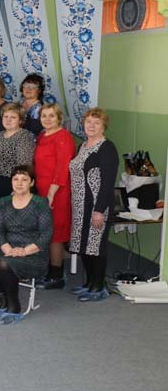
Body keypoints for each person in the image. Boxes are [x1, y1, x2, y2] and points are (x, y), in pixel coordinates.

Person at [0, 165, 52, 324]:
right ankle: (3, 301)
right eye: (15, 179)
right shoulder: (4, 202)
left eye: (24, 179)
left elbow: (46, 235)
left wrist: (24, 251)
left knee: (4, 265)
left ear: (32, 183)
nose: (19, 183)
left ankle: (14, 306)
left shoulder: (40, 203)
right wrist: (9, 249)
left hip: (34, 254)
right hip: (9, 250)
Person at [68, 108, 119, 302]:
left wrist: (99, 211)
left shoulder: (107, 148)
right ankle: (90, 283)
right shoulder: (82, 146)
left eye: (97, 123)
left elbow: (107, 183)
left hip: (97, 206)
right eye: (88, 122)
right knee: (83, 245)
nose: (91, 126)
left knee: (95, 246)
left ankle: (99, 287)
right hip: (80, 206)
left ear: (104, 126)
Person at [34, 103, 76, 289]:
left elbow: (62, 168)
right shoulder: (42, 136)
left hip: (57, 192)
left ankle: (56, 276)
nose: (47, 119)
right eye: (44, 115)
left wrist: (51, 193)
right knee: (46, 232)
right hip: (42, 190)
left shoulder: (63, 137)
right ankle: (50, 270)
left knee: (56, 234)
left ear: (59, 118)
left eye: (52, 115)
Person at [0, 103, 36, 198]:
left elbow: (24, 165)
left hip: (13, 184)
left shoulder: (24, 136)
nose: (8, 120)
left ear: (20, 120)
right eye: (5, 116)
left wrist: (17, 187)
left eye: (13, 117)